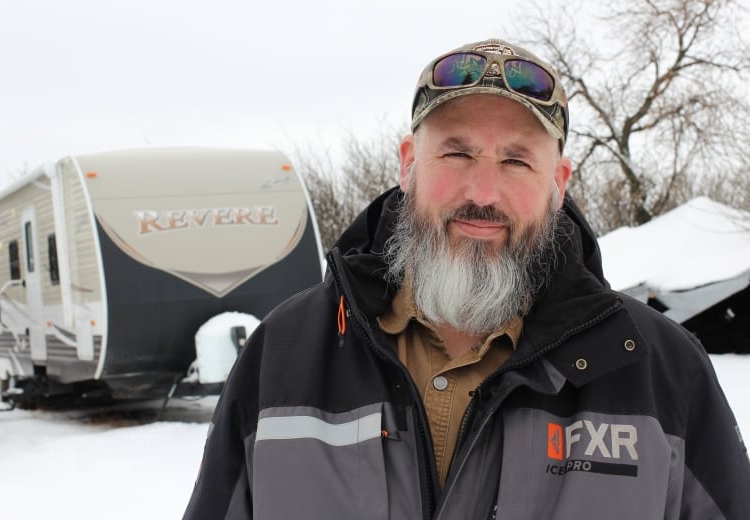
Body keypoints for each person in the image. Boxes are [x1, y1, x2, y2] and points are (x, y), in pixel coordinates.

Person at [182, 38, 750, 519]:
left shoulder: (660, 372)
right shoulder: (283, 358)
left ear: (559, 182)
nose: (482, 193)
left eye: (517, 161)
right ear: (408, 164)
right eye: (456, 153)